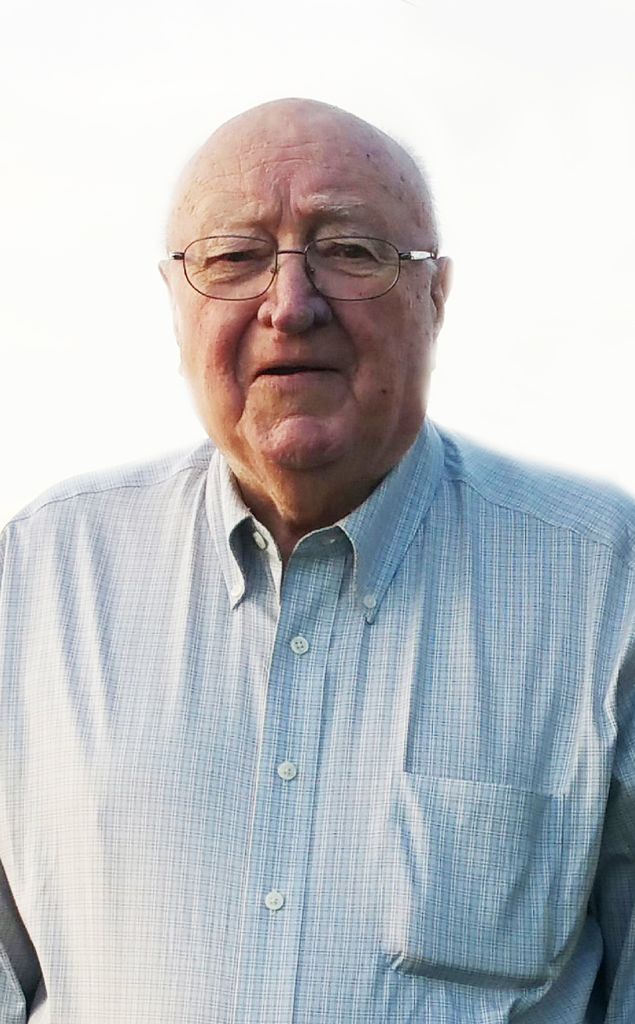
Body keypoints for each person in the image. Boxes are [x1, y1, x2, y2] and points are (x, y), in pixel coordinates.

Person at [0, 97, 633, 1024]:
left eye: (350, 251)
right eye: (233, 257)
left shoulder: (603, 585)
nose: (291, 306)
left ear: (435, 298)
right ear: (175, 304)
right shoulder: (39, 581)